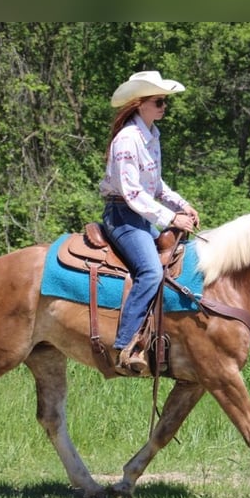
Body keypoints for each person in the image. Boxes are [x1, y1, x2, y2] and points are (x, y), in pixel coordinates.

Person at [99, 70, 200, 374]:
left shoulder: (151, 136)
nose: (164, 107)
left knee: (177, 260)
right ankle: (126, 344)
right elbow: (132, 193)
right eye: (159, 102)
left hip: (141, 214)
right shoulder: (127, 141)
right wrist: (172, 217)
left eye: (164, 102)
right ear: (141, 103)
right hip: (123, 215)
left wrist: (182, 205)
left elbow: (155, 186)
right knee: (151, 271)